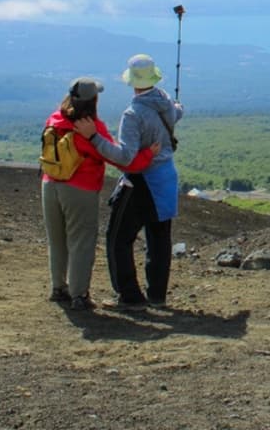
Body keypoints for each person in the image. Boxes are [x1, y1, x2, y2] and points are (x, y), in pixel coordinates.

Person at [75, 54, 183, 312]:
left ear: (132, 81)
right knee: (159, 238)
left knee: (118, 238)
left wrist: (94, 139)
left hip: (142, 180)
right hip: (166, 177)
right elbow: (178, 112)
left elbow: (125, 156)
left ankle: (130, 296)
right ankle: (157, 296)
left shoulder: (133, 114)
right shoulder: (166, 101)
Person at [42, 77, 156, 311]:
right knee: (81, 242)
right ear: (93, 100)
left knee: (57, 240)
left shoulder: (55, 120)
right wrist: (148, 155)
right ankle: (79, 295)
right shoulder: (91, 128)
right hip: (79, 190)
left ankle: (58, 288)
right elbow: (122, 160)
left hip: (49, 184)